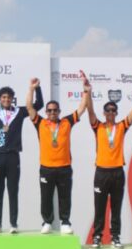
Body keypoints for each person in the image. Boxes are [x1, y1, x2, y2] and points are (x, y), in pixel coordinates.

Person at [0, 80, 44, 234]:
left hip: (13, 157)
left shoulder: (19, 112)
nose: (6, 99)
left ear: (12, 99)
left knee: (13, 191)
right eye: (4, 97)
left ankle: (13, 223)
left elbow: (39, 104)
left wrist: (37, 88)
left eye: (9, 97)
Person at [26, 74, 89, 235]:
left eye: (55, 110)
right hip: (46, 167)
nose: (52, 112)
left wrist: (86, 91)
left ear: (59, 111)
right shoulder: (40, 122)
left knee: (64, 197)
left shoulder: (67, 122)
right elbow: (29, 107)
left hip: (64, 167)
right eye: (49, 110)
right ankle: (47, 222)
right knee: (46, 197)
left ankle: (65, 222)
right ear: (46, 112)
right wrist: (32, 89)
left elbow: (82, 108)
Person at [86, 79, 132, 249]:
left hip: (117, 172)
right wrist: (87, 91)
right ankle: (97, 237)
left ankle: (115, 237)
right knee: (99, 207)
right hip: (101, 172)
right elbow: (90, 110)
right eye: (108, 110)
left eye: (113, 110)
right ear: (104, 113)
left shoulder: (121, 127)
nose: (111, 112)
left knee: (116, 207)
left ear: (116, 113)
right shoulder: (98, 127)